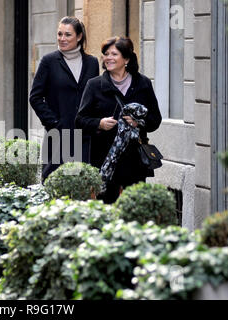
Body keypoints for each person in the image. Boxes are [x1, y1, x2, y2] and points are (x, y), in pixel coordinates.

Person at [75, 36, 162, 204]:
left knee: (135, 206)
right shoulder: (94, 85)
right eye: (106, 54)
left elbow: (155, 119)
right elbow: (80, 120)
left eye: (114, 54)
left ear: (127, 58)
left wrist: (139, 123)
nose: (108, 58)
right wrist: (99, 123)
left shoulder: (143, 84)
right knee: (105, 207)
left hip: (134, 161)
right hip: (104, 160)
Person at [29, 16, 99, 182]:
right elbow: (35, 97)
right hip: (58, 135)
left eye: (67, 35)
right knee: (54, 183)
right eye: (59, 34)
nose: (62, 38)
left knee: (83, 184)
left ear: (79, 36)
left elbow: (96, 97)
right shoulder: (49, 61)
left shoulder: (92, 63)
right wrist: (53, 123)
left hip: (85, 136)